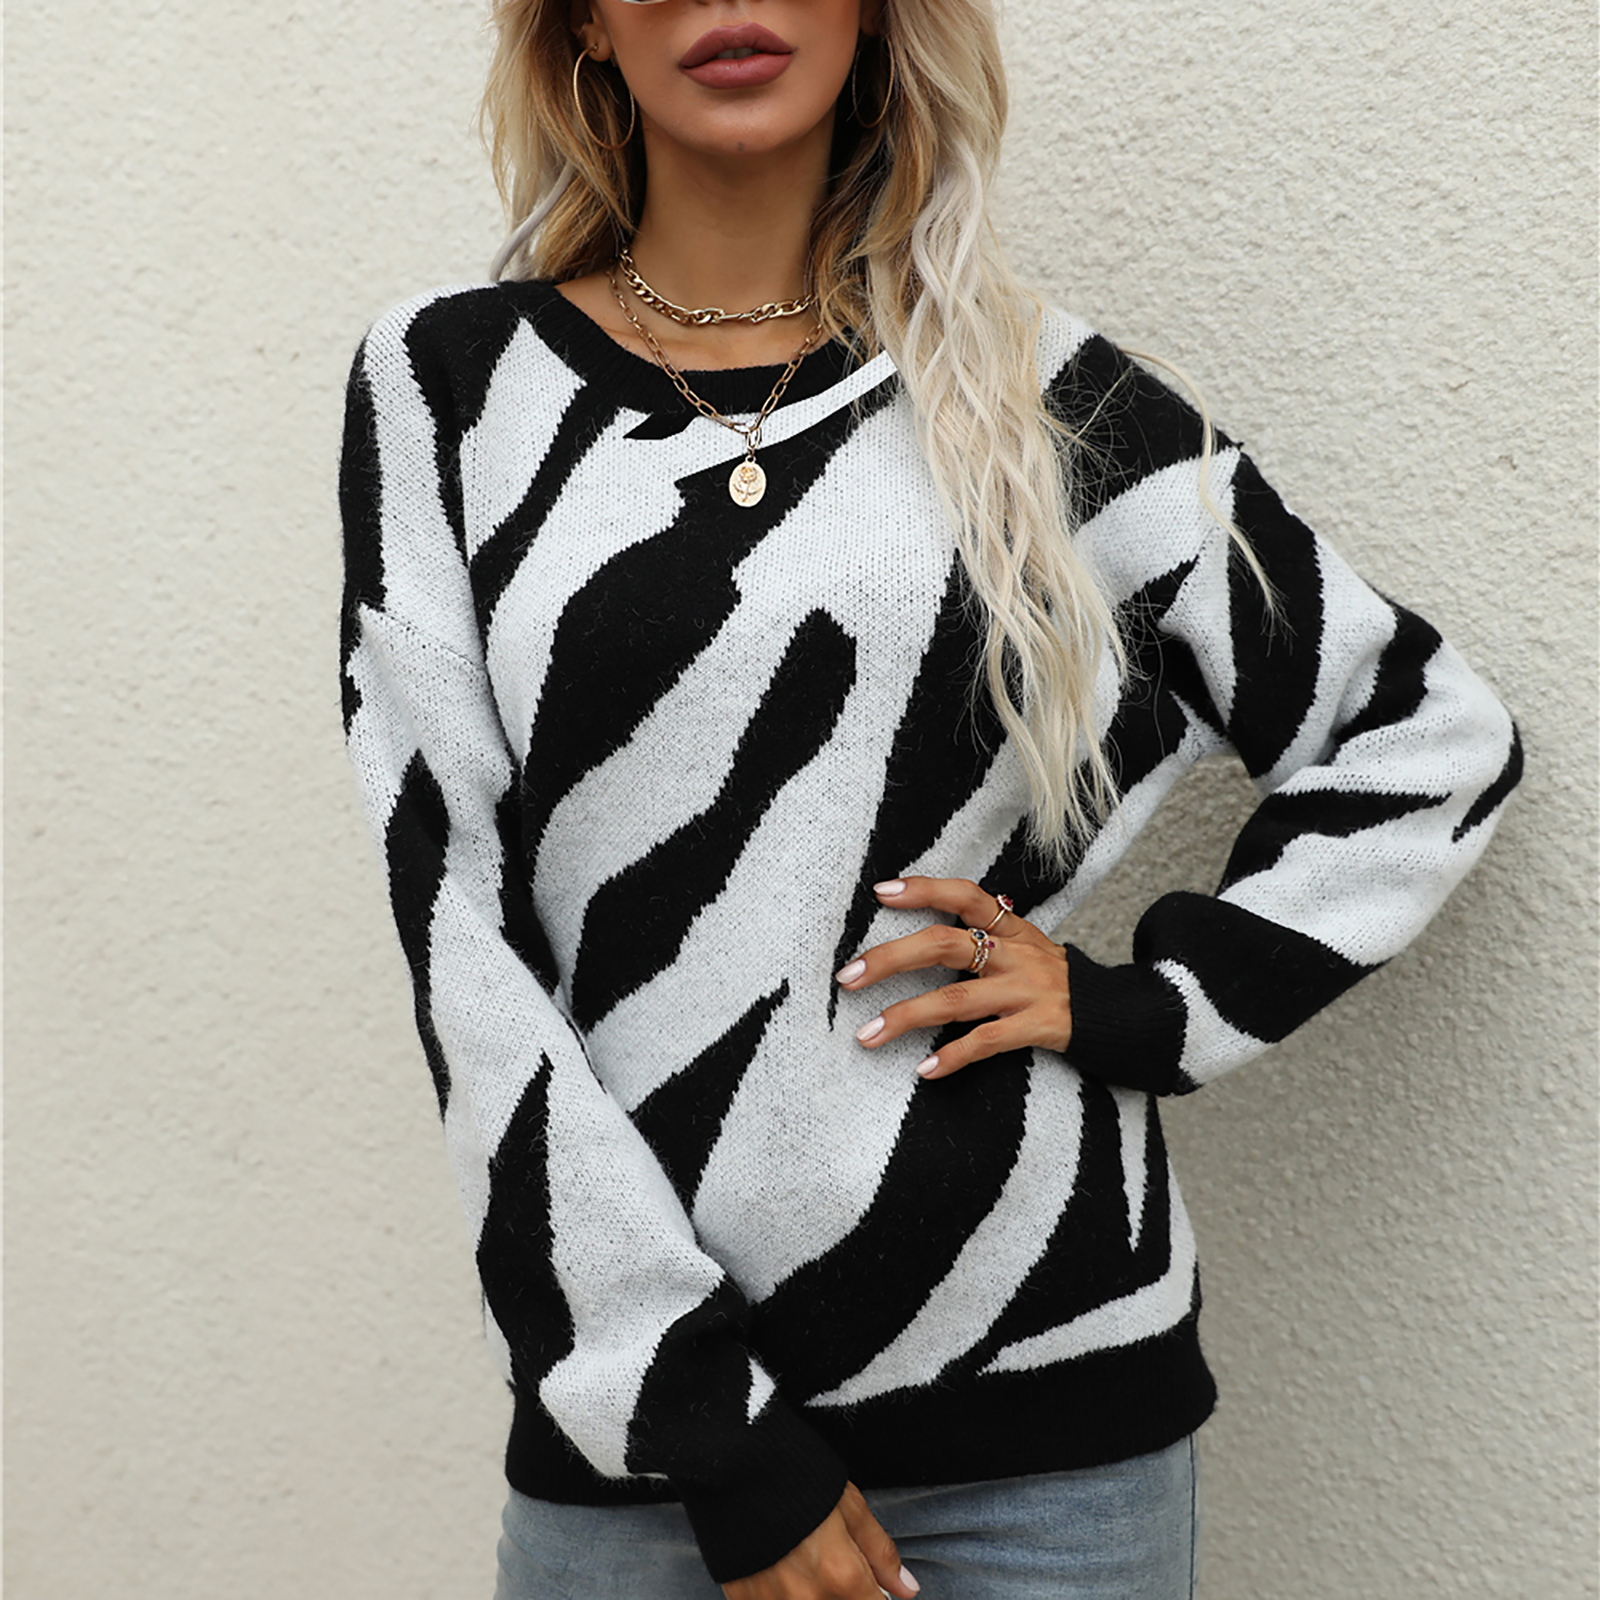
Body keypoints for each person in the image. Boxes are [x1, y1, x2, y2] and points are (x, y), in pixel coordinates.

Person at [337, 1, 1522, 1595]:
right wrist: (708, 1429)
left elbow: (1423, 735)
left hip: (1054, 1432)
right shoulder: (448, 388)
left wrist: (1146, 1006)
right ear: (587, 27)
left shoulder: (1036, 387)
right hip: (650, 1458)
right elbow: (454, 928)